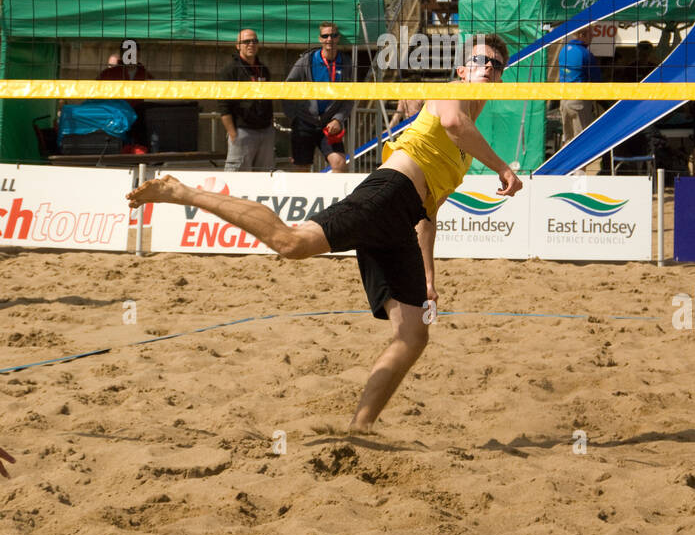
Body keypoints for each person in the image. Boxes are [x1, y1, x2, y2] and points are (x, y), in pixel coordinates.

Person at [128, 35, 521, 431]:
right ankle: (180, 191)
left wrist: (430, 277)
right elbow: (453, 123)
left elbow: (429, 213)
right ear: (462, 70)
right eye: (478, 61)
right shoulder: (451, 95)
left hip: (404, 219)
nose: (486, 68)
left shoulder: (466, 152)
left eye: (495, 65)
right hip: (386, 194)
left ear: (502, 78)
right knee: (292, 243)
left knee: (413, 335)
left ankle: (360, 427)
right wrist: (503, 167)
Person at [285, 24, 352, 173]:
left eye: (333, 35)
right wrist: (294, 117)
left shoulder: (346, 63)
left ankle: (337, 197)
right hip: (305, 122)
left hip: (329, 124)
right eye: (325, 36)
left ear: (338, 38)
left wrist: (338, 119)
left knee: (340, 164)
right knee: (301, 169)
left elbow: (350, 97)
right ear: (319, 39)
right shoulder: (307, 60)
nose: (329, 39)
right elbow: (287, 87)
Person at [219, 29, 275, 172]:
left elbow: (269, 100)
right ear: (238, 46)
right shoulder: (230, 70)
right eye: (246, 41)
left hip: (265, 131)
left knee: (264, 178)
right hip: (243, 132)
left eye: (254, 41)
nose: (251, 44)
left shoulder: (263, 69)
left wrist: (270, 127)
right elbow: (223, 106)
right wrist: (233, 134)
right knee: (237, 178)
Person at [559, 28, 601, 144]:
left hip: (564, 100)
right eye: (590, 35)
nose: (592, 38)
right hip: (579, 101)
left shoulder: (563, 51)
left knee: (567, 140)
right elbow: (597, 81)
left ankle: (567, 162)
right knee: (582, 142)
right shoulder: (585, 53)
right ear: (582, 35)